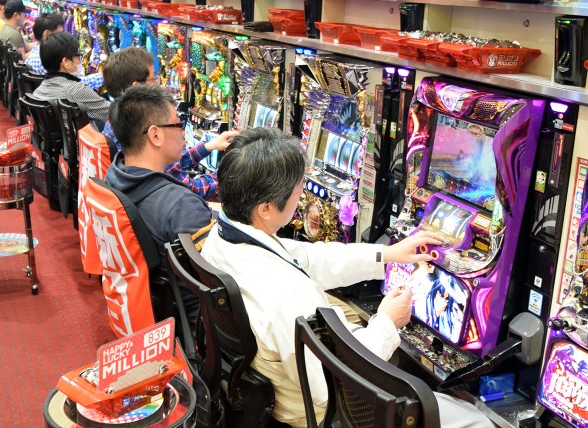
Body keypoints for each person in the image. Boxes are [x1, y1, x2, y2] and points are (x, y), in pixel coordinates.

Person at [200, 127, 495, 428]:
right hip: (314, 412)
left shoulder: (223, 237)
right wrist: (386, 322)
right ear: (265, 209)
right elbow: (332, 385)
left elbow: (310, 258)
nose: (301, 195)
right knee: (474, 419)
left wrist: (388, 254)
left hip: (271, 381)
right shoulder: (288, 294)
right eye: (297, 189)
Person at [104, 85, 233, 316]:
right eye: (178, 125)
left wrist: (208, 147)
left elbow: (175, 166)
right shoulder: (181, 205)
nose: (183, 132)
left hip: (152, 301)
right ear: (155, 135)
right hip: (199, 317)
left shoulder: (116, 172)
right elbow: (222, 275)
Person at [101, 47, 234, 200]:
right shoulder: (146, 130)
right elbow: (192, 190)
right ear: (137, 87)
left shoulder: (116, 122)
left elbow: (170, 165)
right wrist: (233, 170)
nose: (160, 85)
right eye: (154, 78)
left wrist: (209, 146)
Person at [33, 31, 110, 131]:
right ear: (66, 62)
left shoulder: (39, 89)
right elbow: (113, 113)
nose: (81, 61)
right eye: (78, 56)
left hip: (60, 140)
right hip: (81, 140)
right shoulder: (76, 90)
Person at [25, 13, 104, 92]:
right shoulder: (44, 58)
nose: (63, 36)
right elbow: (69, 87)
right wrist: (102, 76)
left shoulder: (35, 52)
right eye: (60, 33)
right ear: (47, 34)